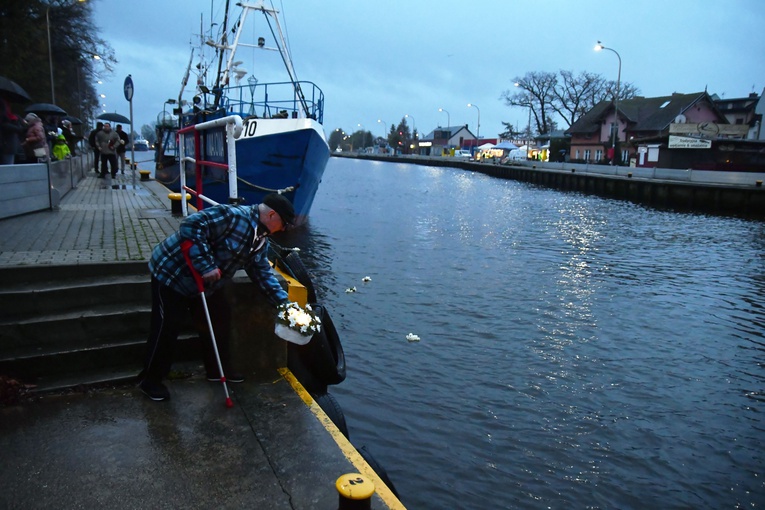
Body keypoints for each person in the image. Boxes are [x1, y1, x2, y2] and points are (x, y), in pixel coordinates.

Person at [138, 193, 296, 401]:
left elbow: (262, 275)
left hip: (207, 286)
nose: (283, 229)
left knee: (219, 321)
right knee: (167, 327)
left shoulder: (260, 241)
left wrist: (285, 305)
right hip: (173, 275)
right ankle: (150, 380)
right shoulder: (232, 216)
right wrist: (206, 265)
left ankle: (217, 370)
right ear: (272, 215)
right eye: (283, 224)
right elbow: (191, 224)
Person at [0, 98, 24, 165]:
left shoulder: (8, 121)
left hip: (7, 148)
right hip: (8, 148)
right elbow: (21, 129)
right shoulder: (8, 121)